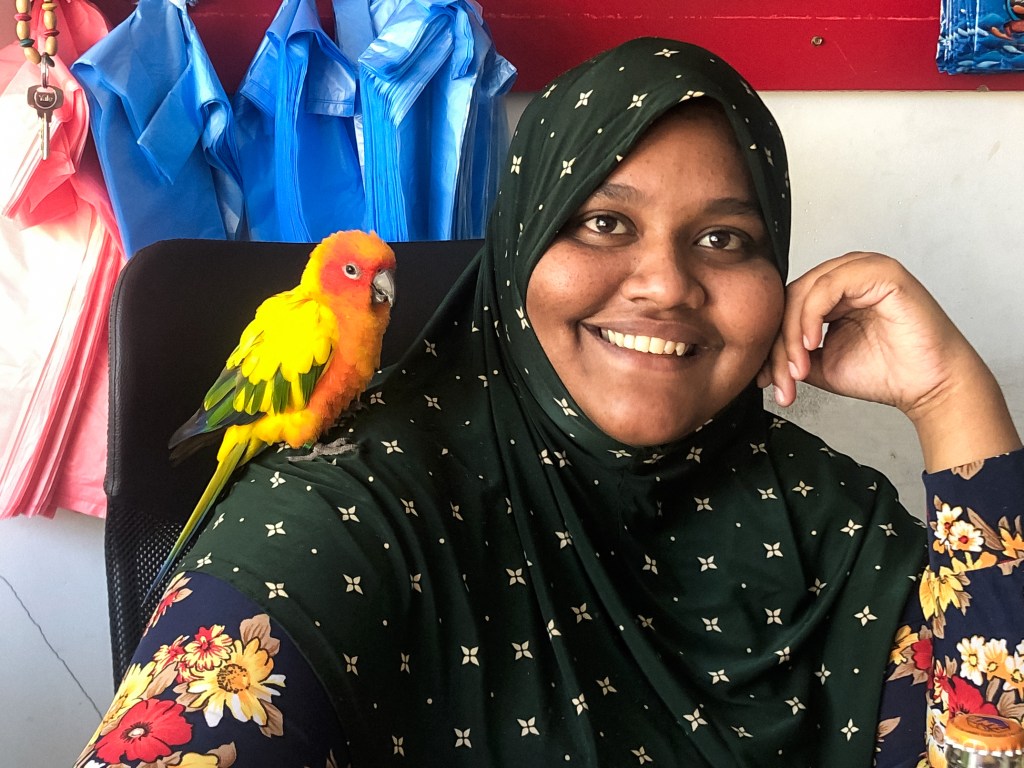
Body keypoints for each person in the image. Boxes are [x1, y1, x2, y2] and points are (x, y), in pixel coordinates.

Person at [76, 38, 1023, 768]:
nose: (665, 284)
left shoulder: (826, 518)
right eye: (603, 222)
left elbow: (996, 728)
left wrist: (952, 400)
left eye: (727, 241)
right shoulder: (352, 508)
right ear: (520, 247)